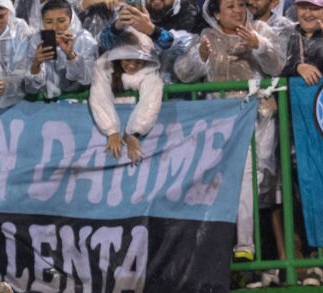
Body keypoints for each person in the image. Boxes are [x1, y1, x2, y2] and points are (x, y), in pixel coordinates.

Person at [174, 0, 285, 265]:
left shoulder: (260, 29)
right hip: (223, 119)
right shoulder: (207, 37)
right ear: (215, 14)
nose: (237, 11)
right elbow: (183, 74)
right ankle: (244, 246)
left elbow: (278, 66)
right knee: (238, 179)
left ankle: (258, 258)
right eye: (229, 6)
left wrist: (259, 45)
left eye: (240, 5)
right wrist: (200, 56)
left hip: (260, 116)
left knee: (258, 183)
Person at [89, 28, 160, 164]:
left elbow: (151, 101)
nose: (132, 66)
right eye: (127, 60)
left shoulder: (151, 74)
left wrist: (134, 133)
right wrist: (111, 130)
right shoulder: (104, 66)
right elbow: (99, 95)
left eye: (138, 62)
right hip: (104, 133)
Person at [24, 0, 98, 98]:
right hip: (44, 101)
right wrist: (36, 64)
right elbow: (30, 89)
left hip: (77, 98)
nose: (55, 27)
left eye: (61, 21)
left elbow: (88, 81)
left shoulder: (84, 39)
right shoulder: (37, 40)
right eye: (49, 22)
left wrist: (71, 55)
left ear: (71, 20)